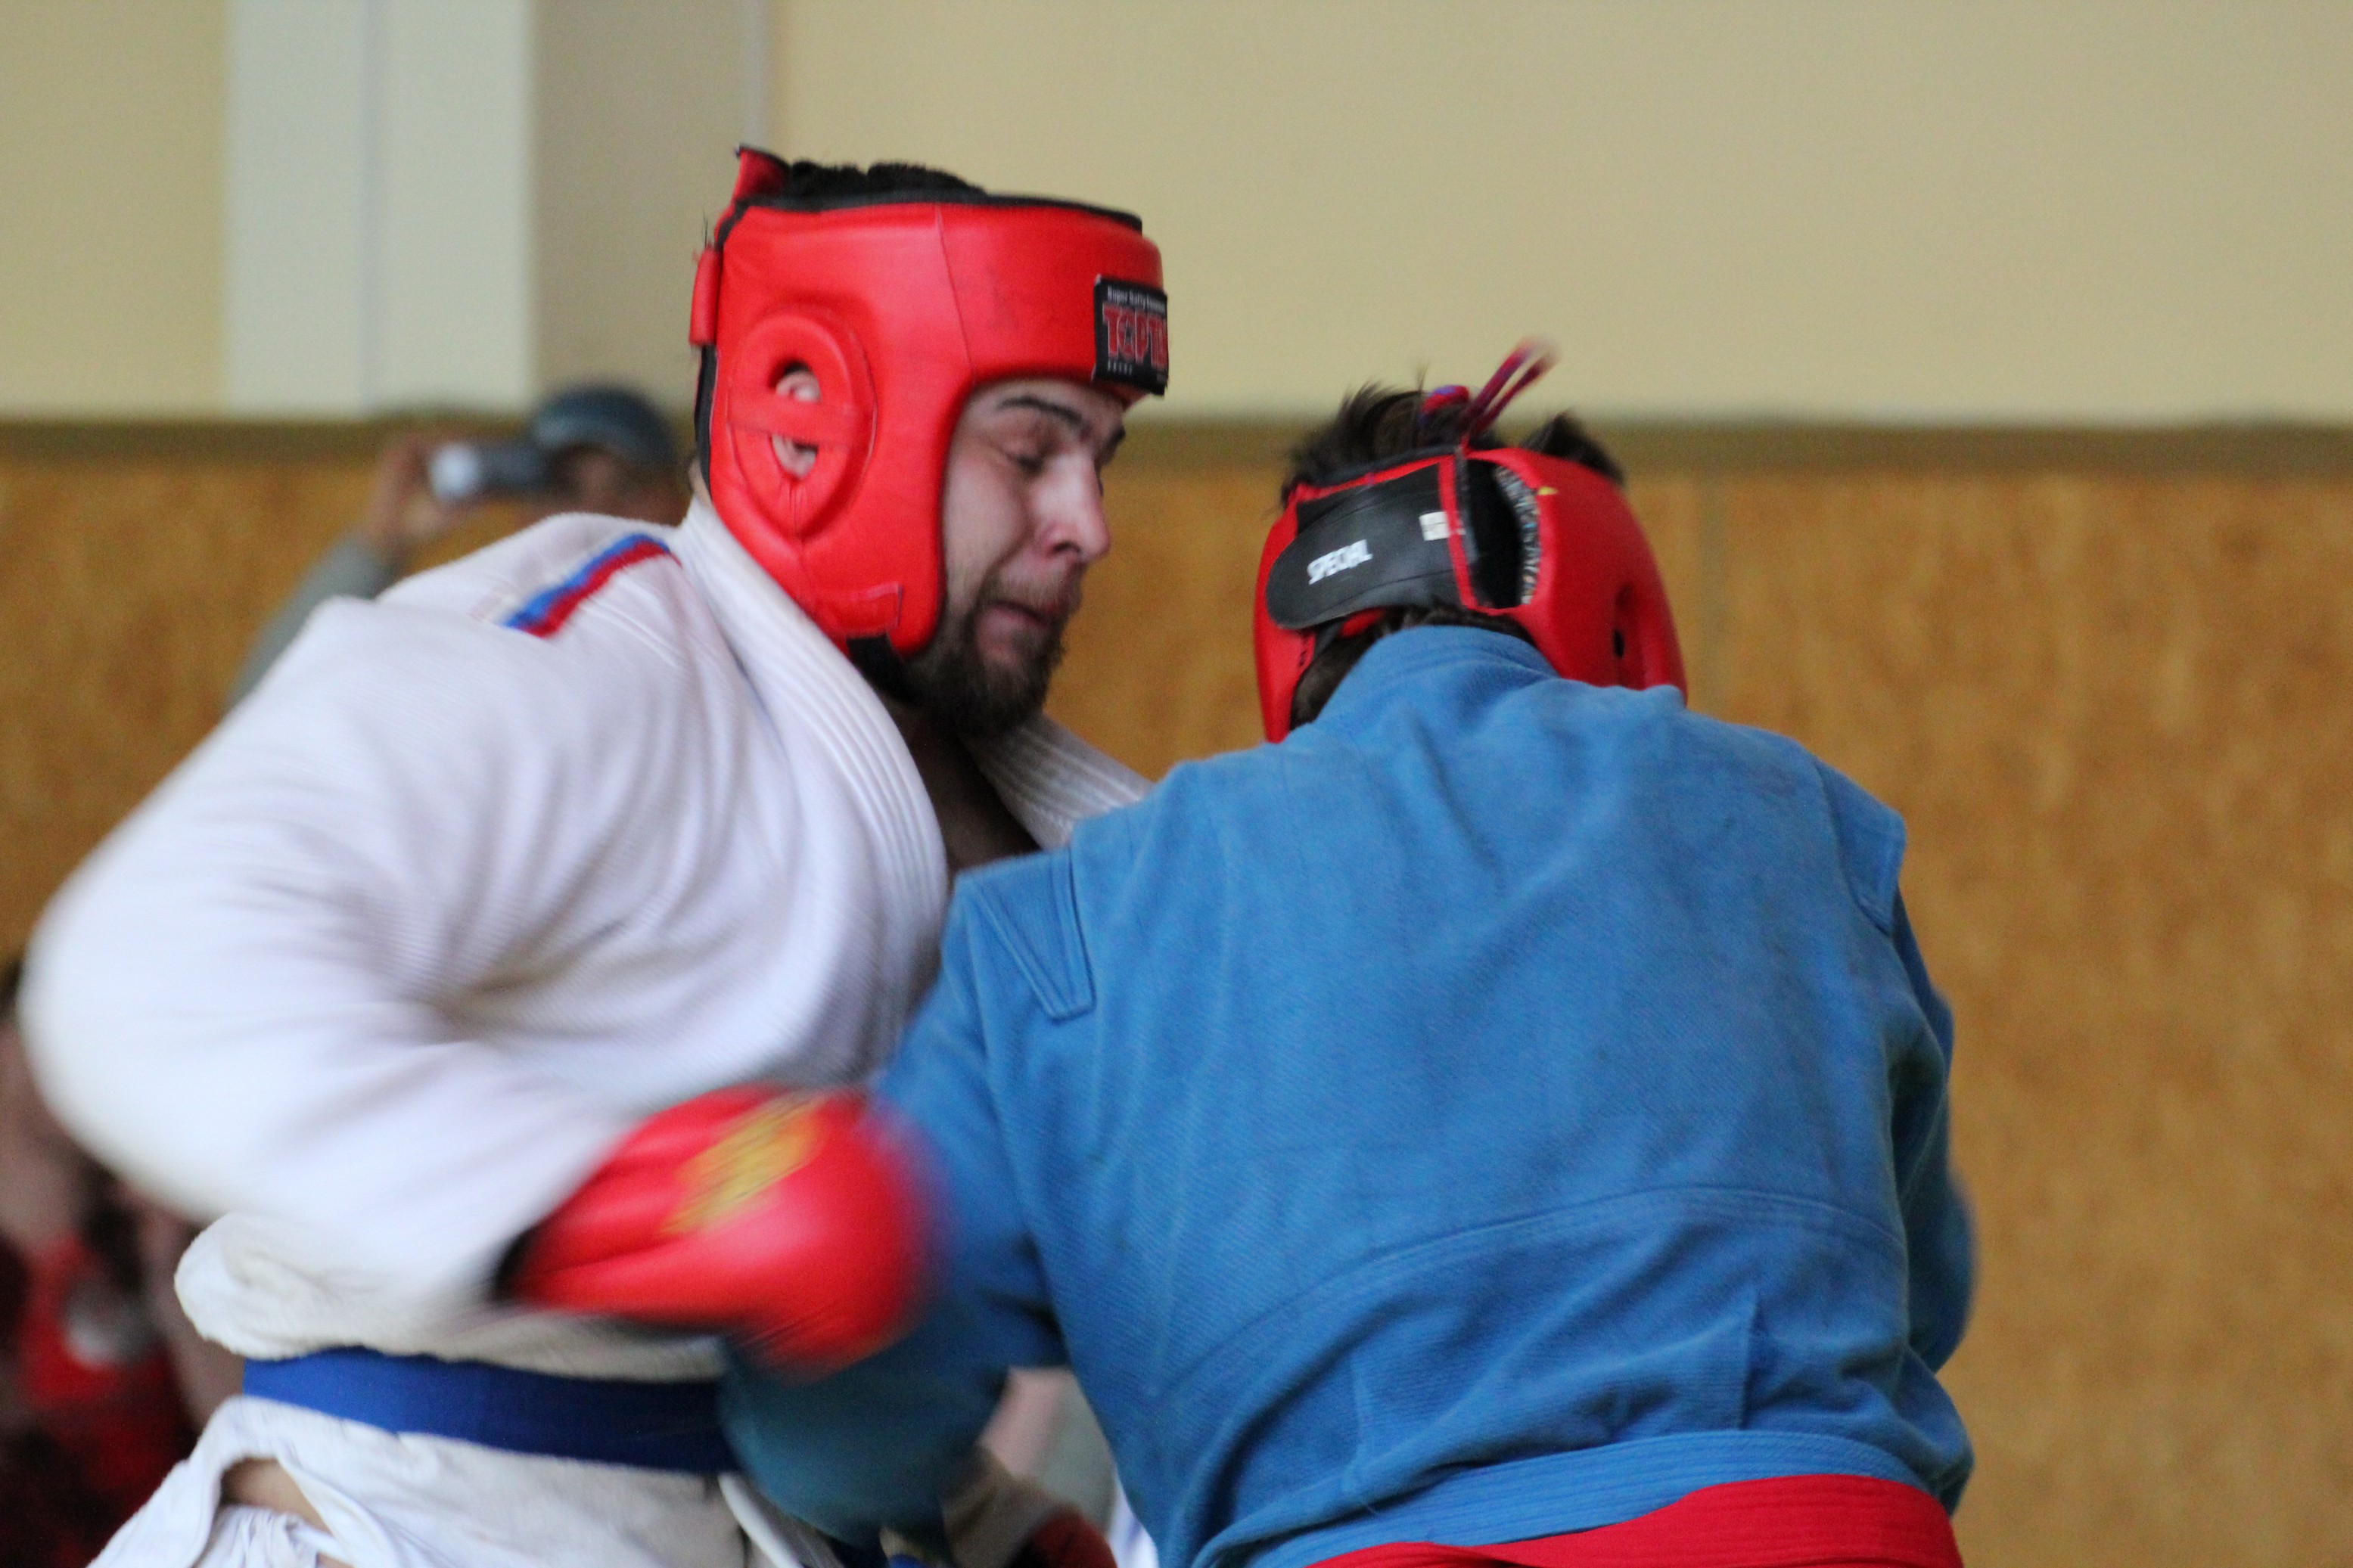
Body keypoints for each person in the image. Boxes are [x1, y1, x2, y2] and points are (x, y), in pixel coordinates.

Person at [22, 151, 1170, 1568]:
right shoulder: (591, 657)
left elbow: (804, 1367)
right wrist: (602, 1205)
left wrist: (982, 1524)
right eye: (1032, 450)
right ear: (815, 416)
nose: (1087, 524)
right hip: (383, 1524)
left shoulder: (1034, 829)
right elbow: (149, 963)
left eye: (1103, 459)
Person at [657, 350, 1974, 1568]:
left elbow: (843, 1421)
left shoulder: (1079, 915)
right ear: (1615, 616)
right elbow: (1924, 1293)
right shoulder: (1803, 822)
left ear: (1297, 644)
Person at [228, 383, 688, 706]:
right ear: (524, 511)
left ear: (679, 500)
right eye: (564, 489)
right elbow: (263, 704)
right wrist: (382, 541)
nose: (596, 512)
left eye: (628, 487)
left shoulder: (705, 626)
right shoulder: (487, 632)